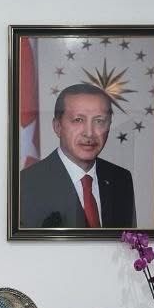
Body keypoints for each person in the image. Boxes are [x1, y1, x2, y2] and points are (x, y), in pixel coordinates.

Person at [18, 82, 136, 229]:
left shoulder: (121, 179)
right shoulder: (26, 184)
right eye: (78, 120)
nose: (89, 133)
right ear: (57, 126)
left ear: (109, 126)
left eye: (99, 121)